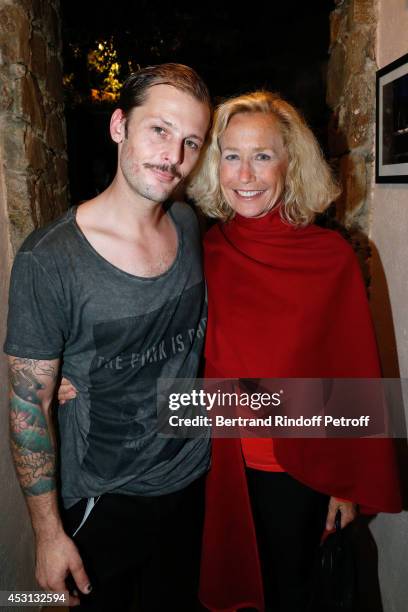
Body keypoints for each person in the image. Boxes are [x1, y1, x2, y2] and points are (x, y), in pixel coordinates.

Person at [4, 63, 212, 611]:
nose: (174, 156)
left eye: (191, 141)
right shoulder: (48, 260)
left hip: (193, 477)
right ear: (119, 125)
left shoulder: (190, 225)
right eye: (159, 130)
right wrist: (49, 535)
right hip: (105, 497)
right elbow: (30, 405)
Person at [186, 91, 402, 612]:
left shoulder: (331, 258)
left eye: (262, 156)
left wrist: (345, 484)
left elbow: (353, 378)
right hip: (212, 468)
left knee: (291, 594)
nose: (246, 174)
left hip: (300, 472)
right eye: (231, 156)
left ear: (291, 163)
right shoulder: (203, 249)